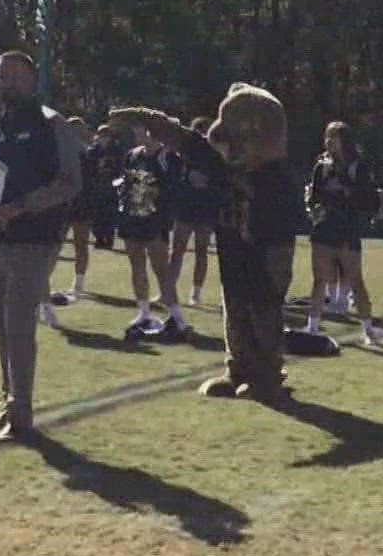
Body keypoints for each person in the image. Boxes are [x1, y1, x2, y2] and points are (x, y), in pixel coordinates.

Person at [0, 51, 83, 443]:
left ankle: (23, 416)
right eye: (1, 75)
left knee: (18, 325)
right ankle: (9, 403)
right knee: (3, 325)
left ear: (32, 79)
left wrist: (22, 207)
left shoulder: (52, 125)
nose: (7, 82)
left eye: (15, 74)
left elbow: (70, 182)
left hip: (33, 241)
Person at [147, 86, 299, 400]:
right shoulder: (225, 165)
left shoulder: (276, 174)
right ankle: (238, 368)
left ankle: (268, 374)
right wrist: (156, 123)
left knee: (264, 306)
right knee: (234, 306)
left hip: (267, 246)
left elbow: (282, 214)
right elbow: (195, 146)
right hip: (233, 243)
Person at [303, 121, 380, 344]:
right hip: (324, 229)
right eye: (326, 136)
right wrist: (313, 207)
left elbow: (368, 199)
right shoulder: (321, 167)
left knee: (356, 281)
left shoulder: (358, 167)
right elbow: (314, 197)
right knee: (319, 280)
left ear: (344, 141)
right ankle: (312, 327)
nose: (328, 142)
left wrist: (346, 184)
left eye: (333, 137)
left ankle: (368, 329)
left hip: (347, 230)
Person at [116, 113, 188, 333]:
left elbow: (175, 188)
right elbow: (125, 183)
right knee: (136, 265)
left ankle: (176, 314)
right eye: (135, 129)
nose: (137, 134)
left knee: (160, 268)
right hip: (132, 217)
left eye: (141, 129)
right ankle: (143, 312)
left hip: (154, 219)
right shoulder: (132, 155)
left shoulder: (168, 157)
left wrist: (157, 196)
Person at [169, 116, 220, 307]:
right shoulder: (185, 153)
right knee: (177, 250)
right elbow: (176, 176)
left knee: (201, 250)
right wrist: (188, 177)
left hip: (206, 207)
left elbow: (222, 180)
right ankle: (169, 290)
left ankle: (196, 292)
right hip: (186, 206)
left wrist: (208, 181)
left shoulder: (216, 155)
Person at [62, 116, 98, 296]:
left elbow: (91, 180)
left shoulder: (89, 153)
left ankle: (79, 282)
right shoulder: (61, 151)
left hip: (82, 202)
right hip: (64, 202)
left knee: (80, 243)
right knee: (54, 242)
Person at [82, 124, 121, 254]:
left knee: (109, 214)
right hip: (96, 187)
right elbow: (88, 170)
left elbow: (121, 169)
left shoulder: (116, 151)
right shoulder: (92, 151)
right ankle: (99, 239)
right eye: (102, 136)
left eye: (107, 136)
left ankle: (109, 239)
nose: (104, 139)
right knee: (97, 214)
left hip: (111, 187)